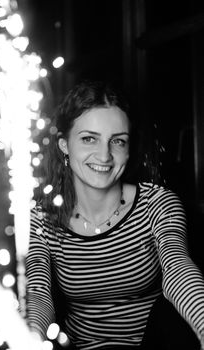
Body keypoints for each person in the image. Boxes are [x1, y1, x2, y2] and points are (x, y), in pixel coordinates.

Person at [25, 80, 204, 350]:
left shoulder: (157, 202)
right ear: (64, 145)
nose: (105, 155)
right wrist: (29, 339)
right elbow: (38, 293)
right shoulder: (42, 217)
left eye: (117, 141)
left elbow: (177, 268)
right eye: (89, 139)